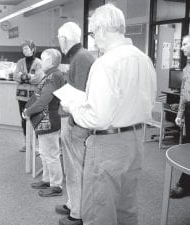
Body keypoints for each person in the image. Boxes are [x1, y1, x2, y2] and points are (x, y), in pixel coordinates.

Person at [61, 4, 156, 225]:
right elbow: (146, 101)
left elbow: (97, 118)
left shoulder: (105, 63)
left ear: (103, 29)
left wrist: (72, 107)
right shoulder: (144, 59)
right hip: (135, 140)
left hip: (108, 145)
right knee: (126, 209)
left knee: (99, 212)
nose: (94, 40)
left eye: (93, 33)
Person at [55, 22, 95, 225]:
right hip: (80, 122)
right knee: (72, 169)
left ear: (64, 39)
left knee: (74, 170)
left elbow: (77, 95)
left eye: (59, 38)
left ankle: (77, 212)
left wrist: (63, 103)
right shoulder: (84, 55)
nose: (58, 42)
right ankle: (72, 203)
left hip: (77, 124)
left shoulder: (79, 58)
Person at [23, 49, 65, 197]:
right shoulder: (51, 75)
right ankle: (47, 180)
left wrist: (28, 111)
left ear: (52, 61)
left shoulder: (53, 77)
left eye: (44, 59)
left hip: (49, 120)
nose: (40, 62)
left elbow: (42, 101)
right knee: (45, 153)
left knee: (51, 154)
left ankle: (56, 186)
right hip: (45, 120)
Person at [13, 40, 43, 152]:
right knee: (23, 118)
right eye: (23, 49)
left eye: (27, 48)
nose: (24, 50)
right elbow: (15, 76)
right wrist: (29, 77)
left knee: (36, 118)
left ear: (33, 49)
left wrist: (23, 77)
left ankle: (37, 144)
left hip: (34, 96)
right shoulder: (20, 62)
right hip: (21, 96)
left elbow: (38, 79)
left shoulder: (39, 63)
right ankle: (26, 143)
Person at [170, 34, 190, 199]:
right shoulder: (187, 67)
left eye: (185, 44)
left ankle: (183, 185)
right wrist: (180, 113)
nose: (182, 47)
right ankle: (185, 184)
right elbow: (184, 92)